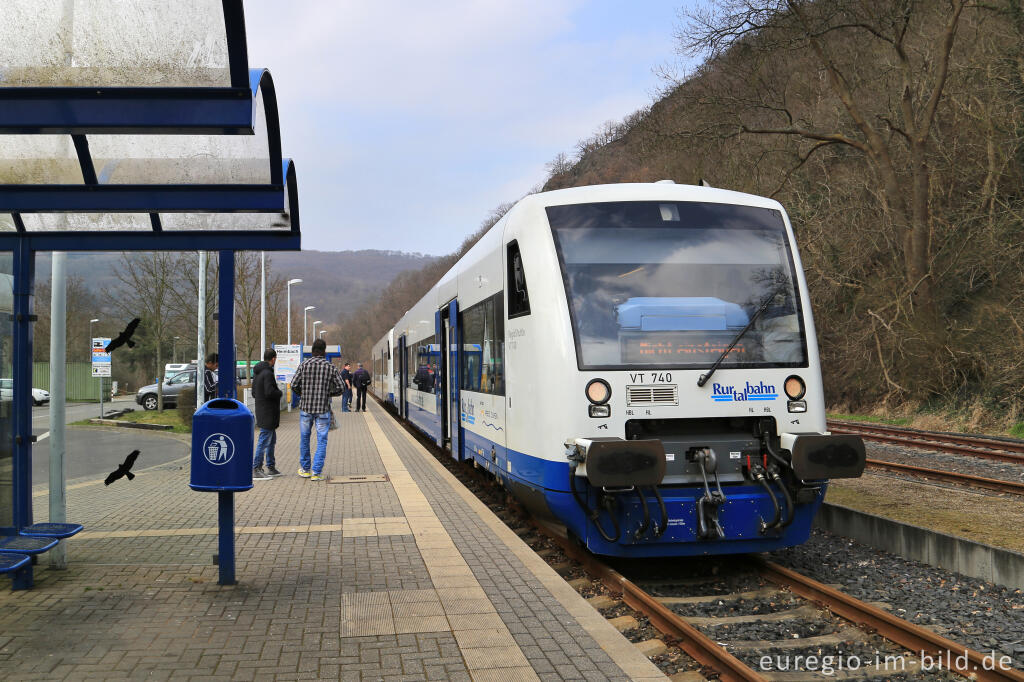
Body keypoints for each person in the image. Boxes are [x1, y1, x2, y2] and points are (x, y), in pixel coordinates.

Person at [290, 338, 344, 481]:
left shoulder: (304, 365)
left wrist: (303, 394)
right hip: (323, 409)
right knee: (322, 440)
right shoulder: (330, 367)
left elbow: (293, 384)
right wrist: (328, 394)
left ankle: (305, 469)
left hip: (306, 409)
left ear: (312, 351)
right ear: (324, 352)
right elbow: (341, 387)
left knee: (305, 439)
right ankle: (316, 472)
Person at [252, 348, 283, 479]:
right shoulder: (268, 373)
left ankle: (271, 466)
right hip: (268, 412)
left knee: (271, 440)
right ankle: (256, 468)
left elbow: (254, 393)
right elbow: (270, 392)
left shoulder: (258, 373)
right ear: (273, 359)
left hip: (261, 409)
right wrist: (280, 393)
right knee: (265, 440)